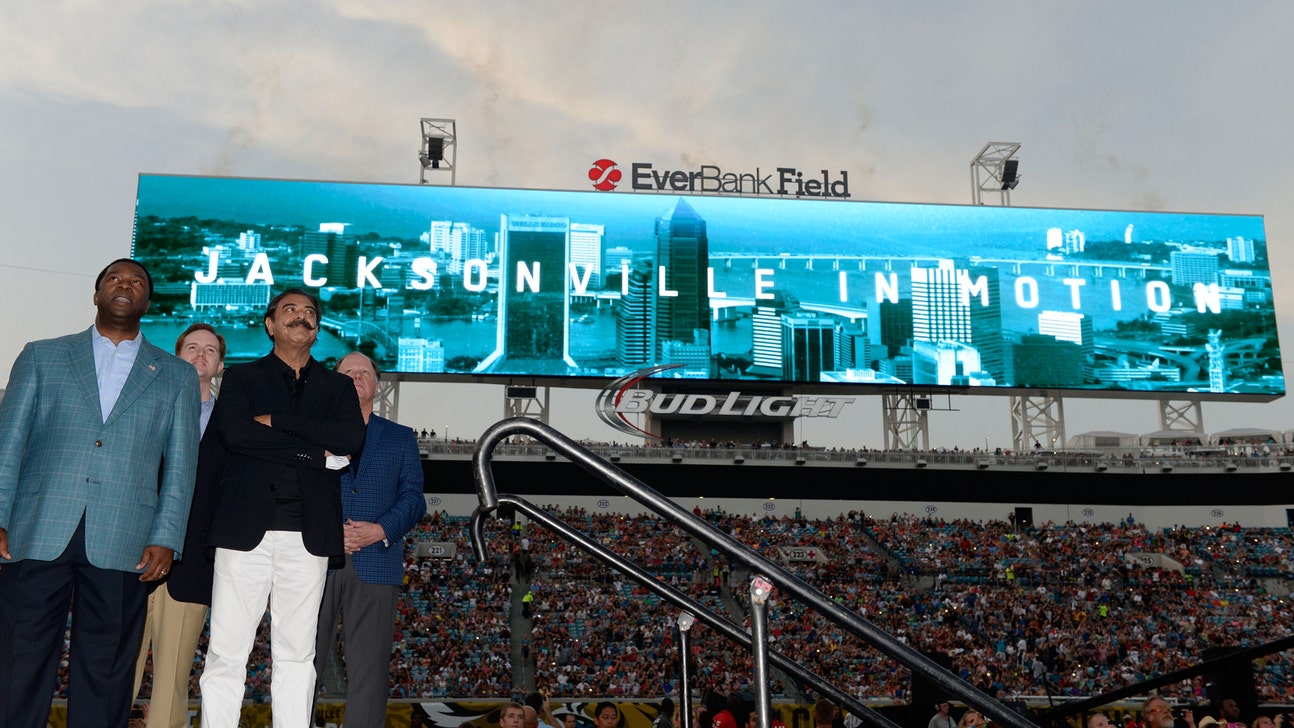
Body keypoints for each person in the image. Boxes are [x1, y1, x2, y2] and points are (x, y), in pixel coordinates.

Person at [0, 258, 200, 728]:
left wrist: (167, 535)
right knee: (19, 662)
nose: (125, 285)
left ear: (147, 302)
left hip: (126, 539)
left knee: (106, 673)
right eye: (114, 278)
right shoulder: (41, 355)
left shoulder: (176, 375)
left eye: (137, 281)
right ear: (96, 294)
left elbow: (181, 465)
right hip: (37, 529)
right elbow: (9, 443)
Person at [199, 289, 365, 727]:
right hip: (243, 533)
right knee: (225, 653)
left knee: (297, 655)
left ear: (318, 329)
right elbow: (237, 435)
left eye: (310, 312)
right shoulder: (241, 378)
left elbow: (349, 441)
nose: (301, 316)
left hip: (308, 536)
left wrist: (279, 423)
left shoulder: (338, 386)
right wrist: (314, 453)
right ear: (270, 324)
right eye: (289, 310)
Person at [313, 352, 425, 726]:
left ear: (377, 385)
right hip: (316, 559)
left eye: (365, 372)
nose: (357, 376)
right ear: (334, 382)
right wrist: (331, 531)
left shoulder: (401, 437)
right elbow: (297, 490)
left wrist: (380, 530)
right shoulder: (312, 432)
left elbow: (414, 498)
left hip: (377, 560)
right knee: (300, 663)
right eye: (349, 371)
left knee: (370, 673)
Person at [132, 323, 227, 728]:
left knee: (171, 678)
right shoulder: (144, 407)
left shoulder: (233, 424)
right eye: (192, 347)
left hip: (192, 567)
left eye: (210, 350)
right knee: (114, 668)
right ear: (176, 355)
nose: (200, 354)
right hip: (131, 555)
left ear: (220, 365)